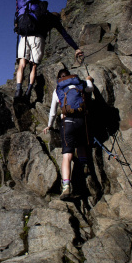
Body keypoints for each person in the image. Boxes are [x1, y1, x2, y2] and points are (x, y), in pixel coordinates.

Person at [14, 0, 83, 98]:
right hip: (38, 39)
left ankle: (18, 89)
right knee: (33, 66)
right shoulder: (52, 19)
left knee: (22, 64)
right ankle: (28, 91)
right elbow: (65, 35)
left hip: (24, 37)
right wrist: (76, 48)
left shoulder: (32, 12)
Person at [43, 68, 94, 198]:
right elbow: (90, 89)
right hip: (82, 121)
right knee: (81, 143)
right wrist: (88, 80)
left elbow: (53, 112)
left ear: (59, 79)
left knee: (67, 155)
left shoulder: (58, 90)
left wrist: (49, 125)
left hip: (67, 122)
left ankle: (66, 187)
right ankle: (84, 165)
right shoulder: (79, 83)